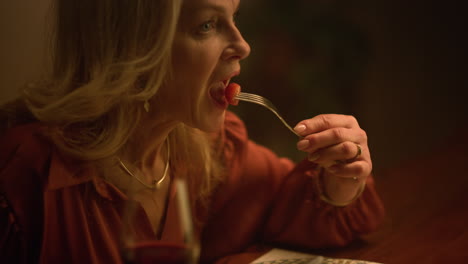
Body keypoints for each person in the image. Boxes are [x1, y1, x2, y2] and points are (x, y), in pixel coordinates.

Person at [0, 0, 385, 263]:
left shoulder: (208, 146)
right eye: (207, 25)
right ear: (132, 46)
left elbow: (294, 209)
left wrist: (339, 182)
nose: (243, 45)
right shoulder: (23, 179)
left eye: (235, 16)